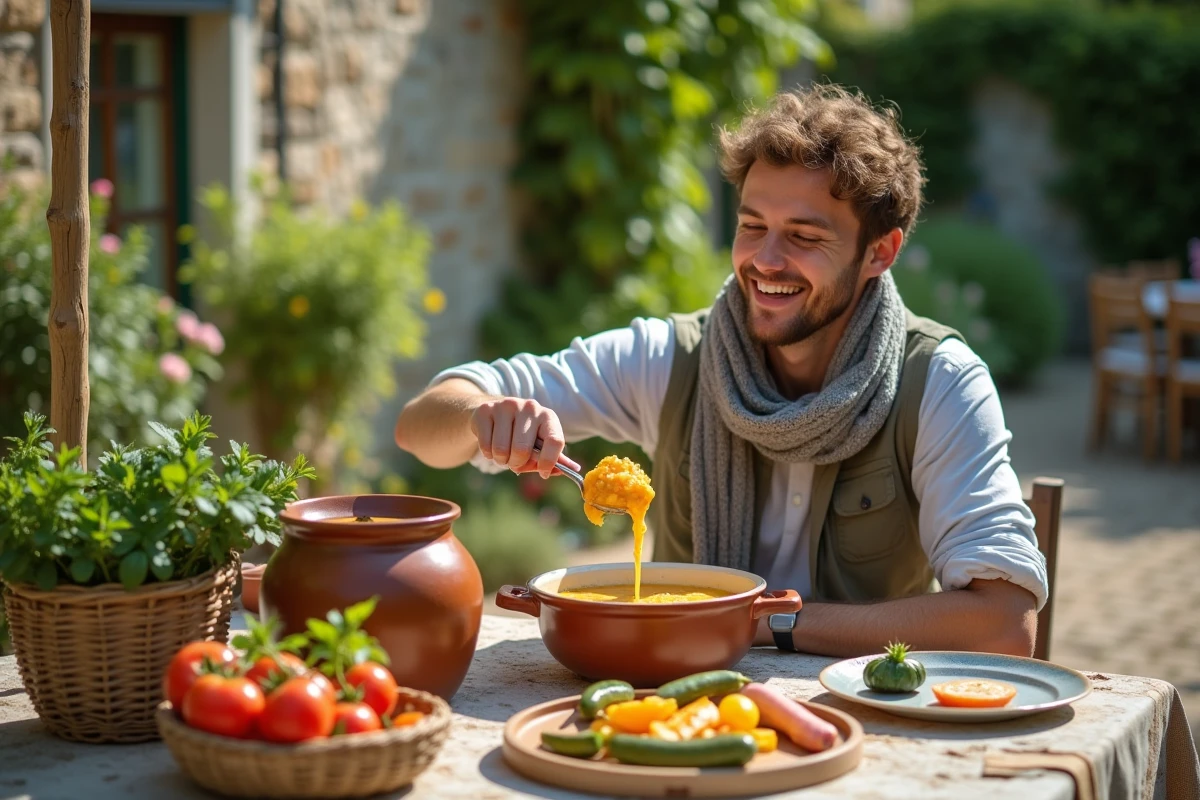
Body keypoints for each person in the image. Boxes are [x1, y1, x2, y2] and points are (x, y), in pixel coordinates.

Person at [395, 84, 1047, 658]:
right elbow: (418, 427)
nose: (765, 260)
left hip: (861, 721)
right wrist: (482, 416)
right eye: (752, 225)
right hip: (670, 704)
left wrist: (766, 625)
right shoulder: (670, 358)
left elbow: (1003, 623)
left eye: (804, 236)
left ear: (880, 252)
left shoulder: (938, 382)